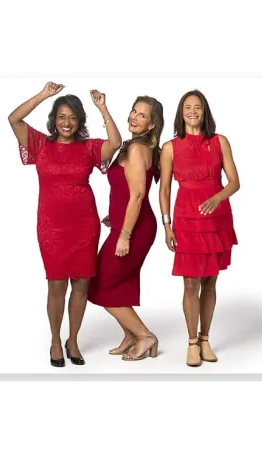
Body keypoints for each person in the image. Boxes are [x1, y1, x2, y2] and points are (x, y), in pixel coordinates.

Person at [8, 82, 121, 367]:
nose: (66, 122)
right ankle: (56, 340)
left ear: (80, 121)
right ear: (53, 120)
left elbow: (116, 143)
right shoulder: (40, 144)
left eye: (72, 117)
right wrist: (45, 95)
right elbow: (14, 119)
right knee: (56, 284)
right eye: (61, 116)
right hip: (51, 226)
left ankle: (73, 339)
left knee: (81, 284)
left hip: (84, 225)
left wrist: (103, 107)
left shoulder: (88, 147)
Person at [159, 89, 240, 367]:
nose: (192, 112)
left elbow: (234, 182)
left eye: (198, 107)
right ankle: (192, 343)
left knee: (210, 280)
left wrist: (217, 197)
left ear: (205, 112)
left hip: (216, 217)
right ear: (181, 113)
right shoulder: (170, 147)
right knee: (190, 281)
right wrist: (166, 224)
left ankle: (206, 339)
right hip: (185, 217)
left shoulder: (220, 142)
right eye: (187, 108)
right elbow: (165, 188)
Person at [88, 96, 164, 361]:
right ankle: (131, 335)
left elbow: (138, 196)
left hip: (136, 228)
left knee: (100, 282)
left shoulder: (136, 150)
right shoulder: (137, 147)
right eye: (134, 110)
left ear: (152, 124)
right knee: (120, 284)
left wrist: (125, 234)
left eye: (142, 115)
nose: (134, 116)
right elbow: (126, 190)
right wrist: (117, 216)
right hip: (128, 223)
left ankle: (145, 336)